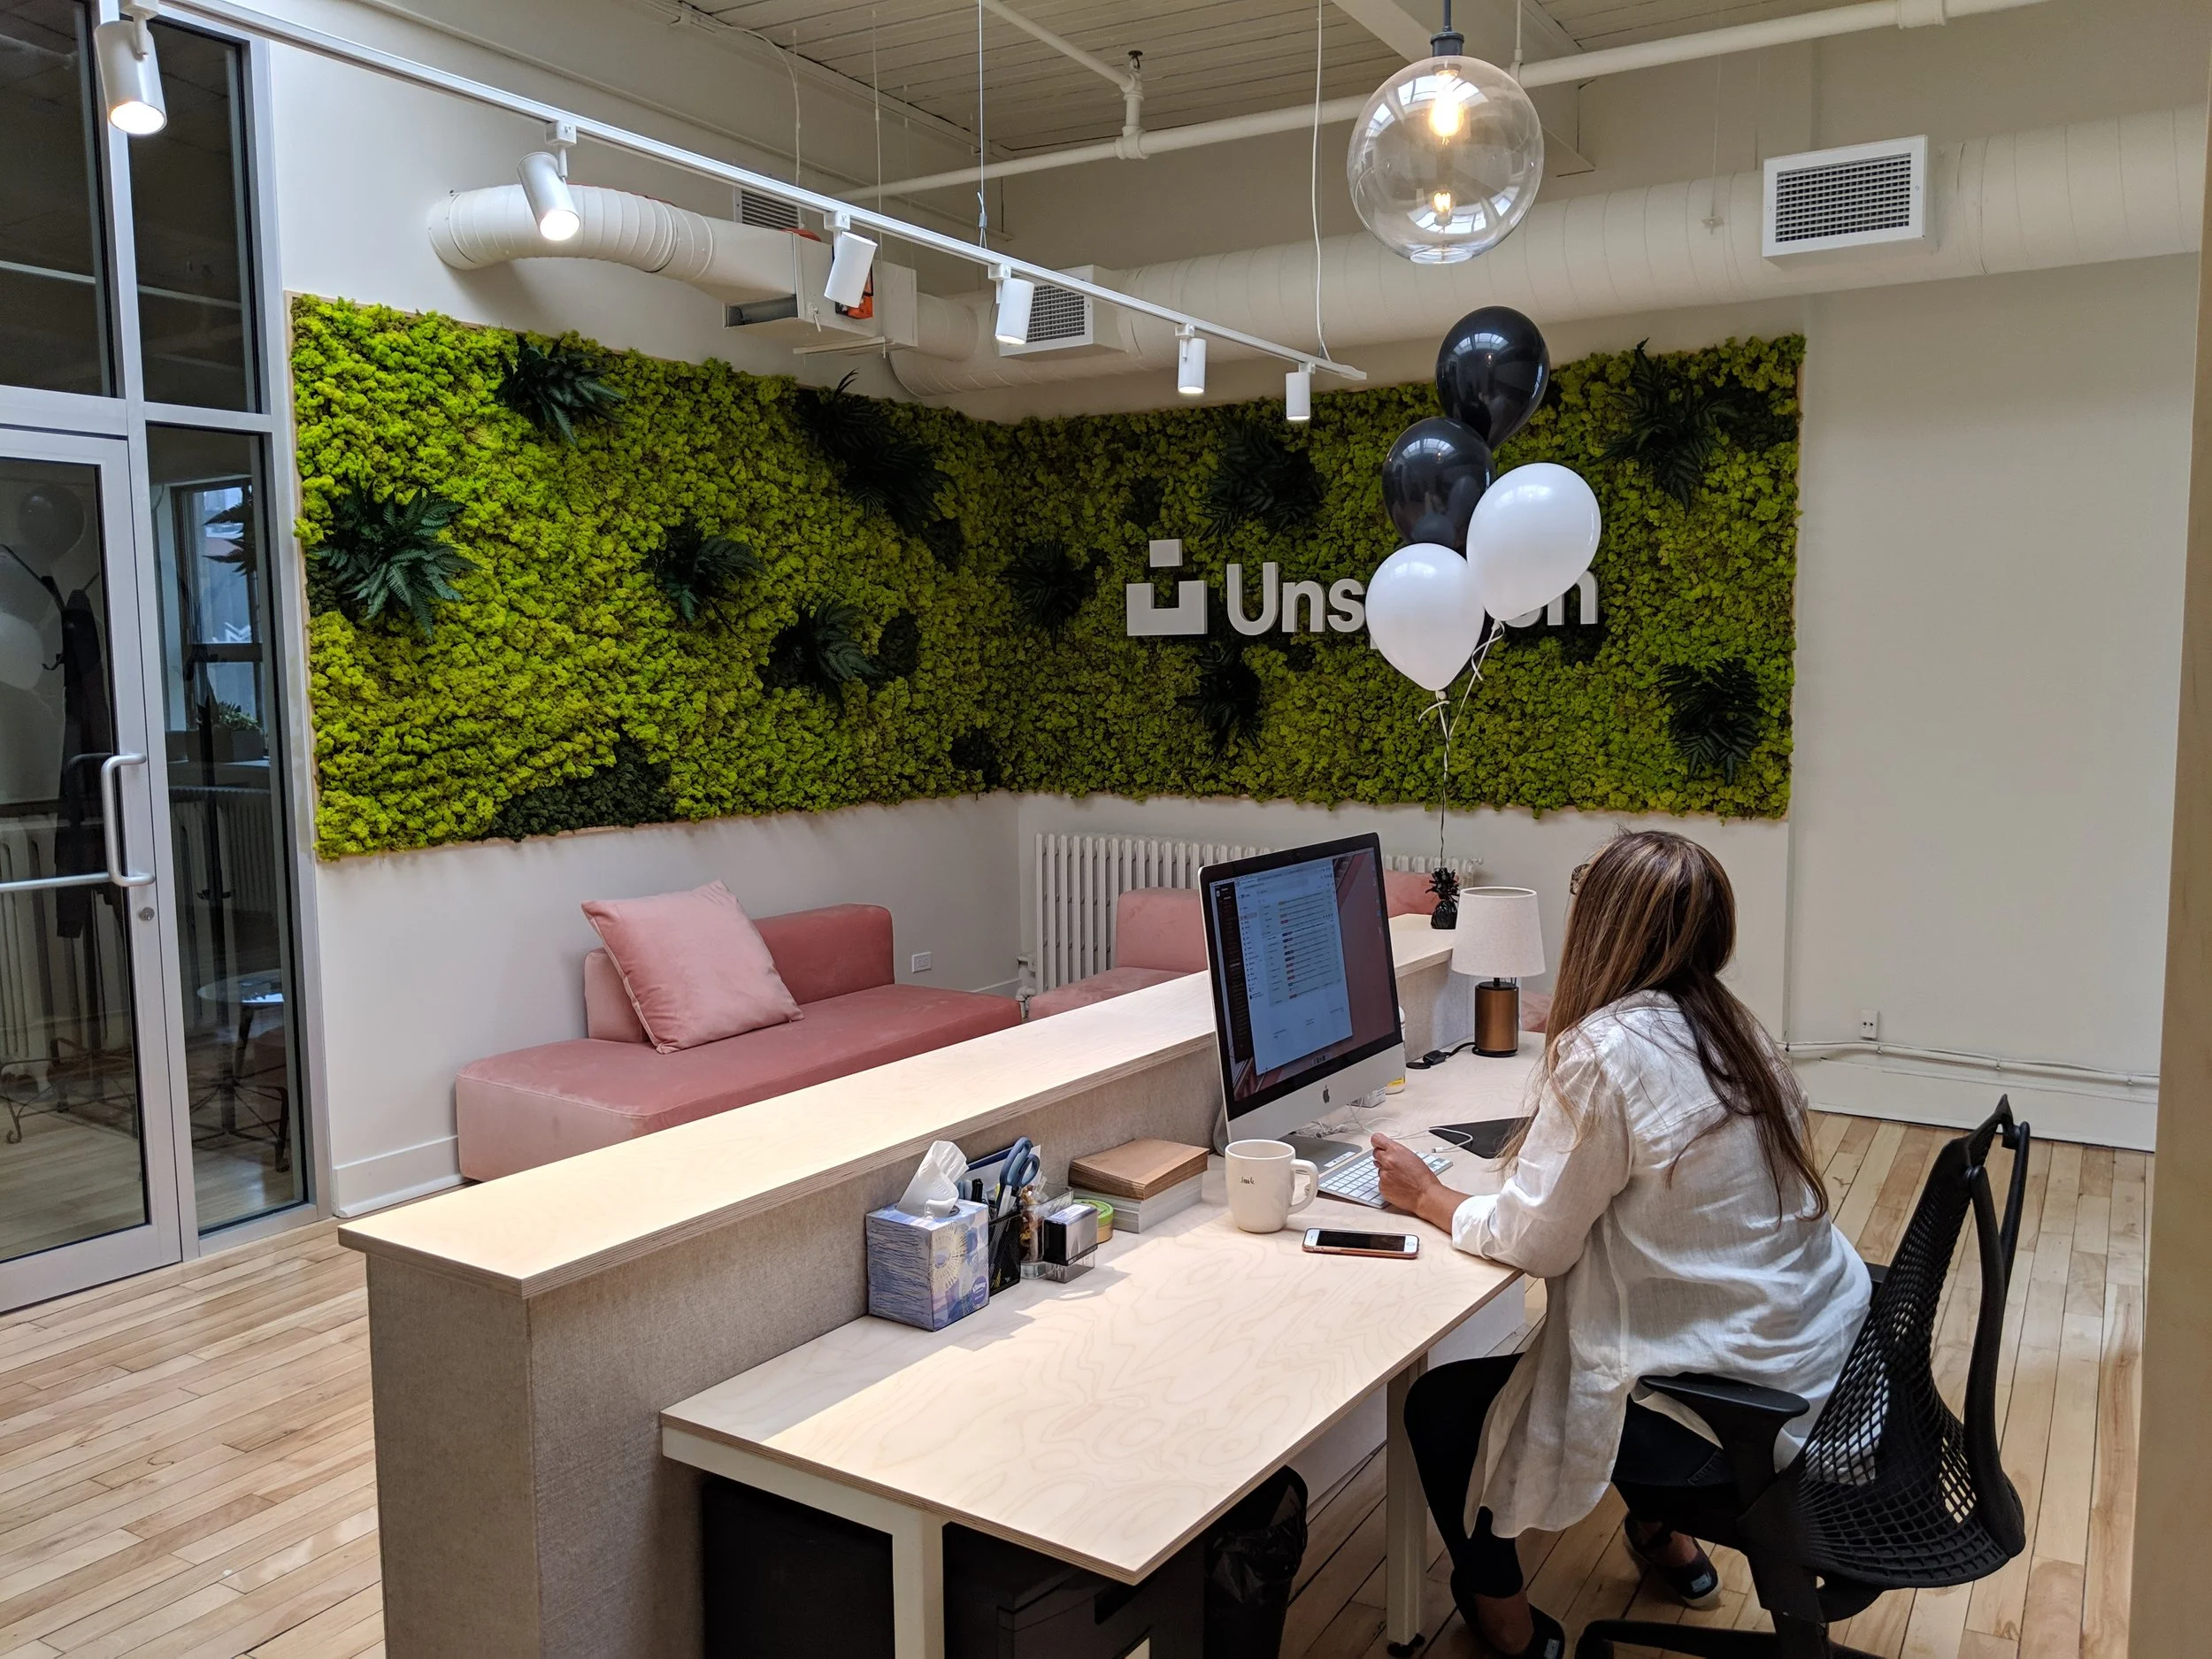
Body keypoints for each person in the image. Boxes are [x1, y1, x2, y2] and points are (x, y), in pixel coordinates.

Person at [1371, 831, 1870, 1659]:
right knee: (1620, 1331)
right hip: (1817, 1364)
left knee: (1443, 1407)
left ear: (1602, 928)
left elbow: (1538, 1240)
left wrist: (1429, 1195)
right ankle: (1661, 1535)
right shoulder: (1731, 1024)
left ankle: (1510, 1625)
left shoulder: (1602, 1051)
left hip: (1743, 1409)